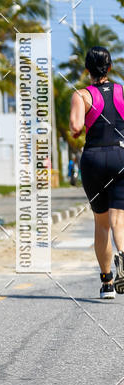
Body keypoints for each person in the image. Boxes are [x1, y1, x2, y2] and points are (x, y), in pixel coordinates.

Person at [70, 46, 124, 298]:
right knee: (119, 220)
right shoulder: (122, 91)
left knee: (101, 223)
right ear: (110, 68)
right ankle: (122, 257)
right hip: (119, 155)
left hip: (93, 159)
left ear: (86, 70)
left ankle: (106, 283)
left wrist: (77, 130)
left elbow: (76, 127)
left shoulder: (81, 95)